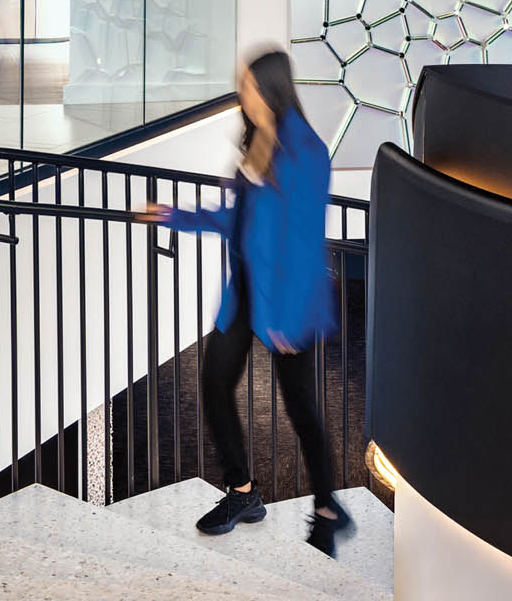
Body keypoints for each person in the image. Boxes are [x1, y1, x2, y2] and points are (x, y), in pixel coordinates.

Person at [139, 49, 353, 557]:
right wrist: (175, 217)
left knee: (301, 407)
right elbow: (236, 219)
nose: (242, 94)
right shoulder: (255, 138)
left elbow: (303, 242)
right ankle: (243, 492)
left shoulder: (306, 152)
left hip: (289, 303)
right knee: (215, 384)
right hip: (246, 294)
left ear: (271, 90)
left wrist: (288, 316)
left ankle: (328, 508)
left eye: (249, 86)